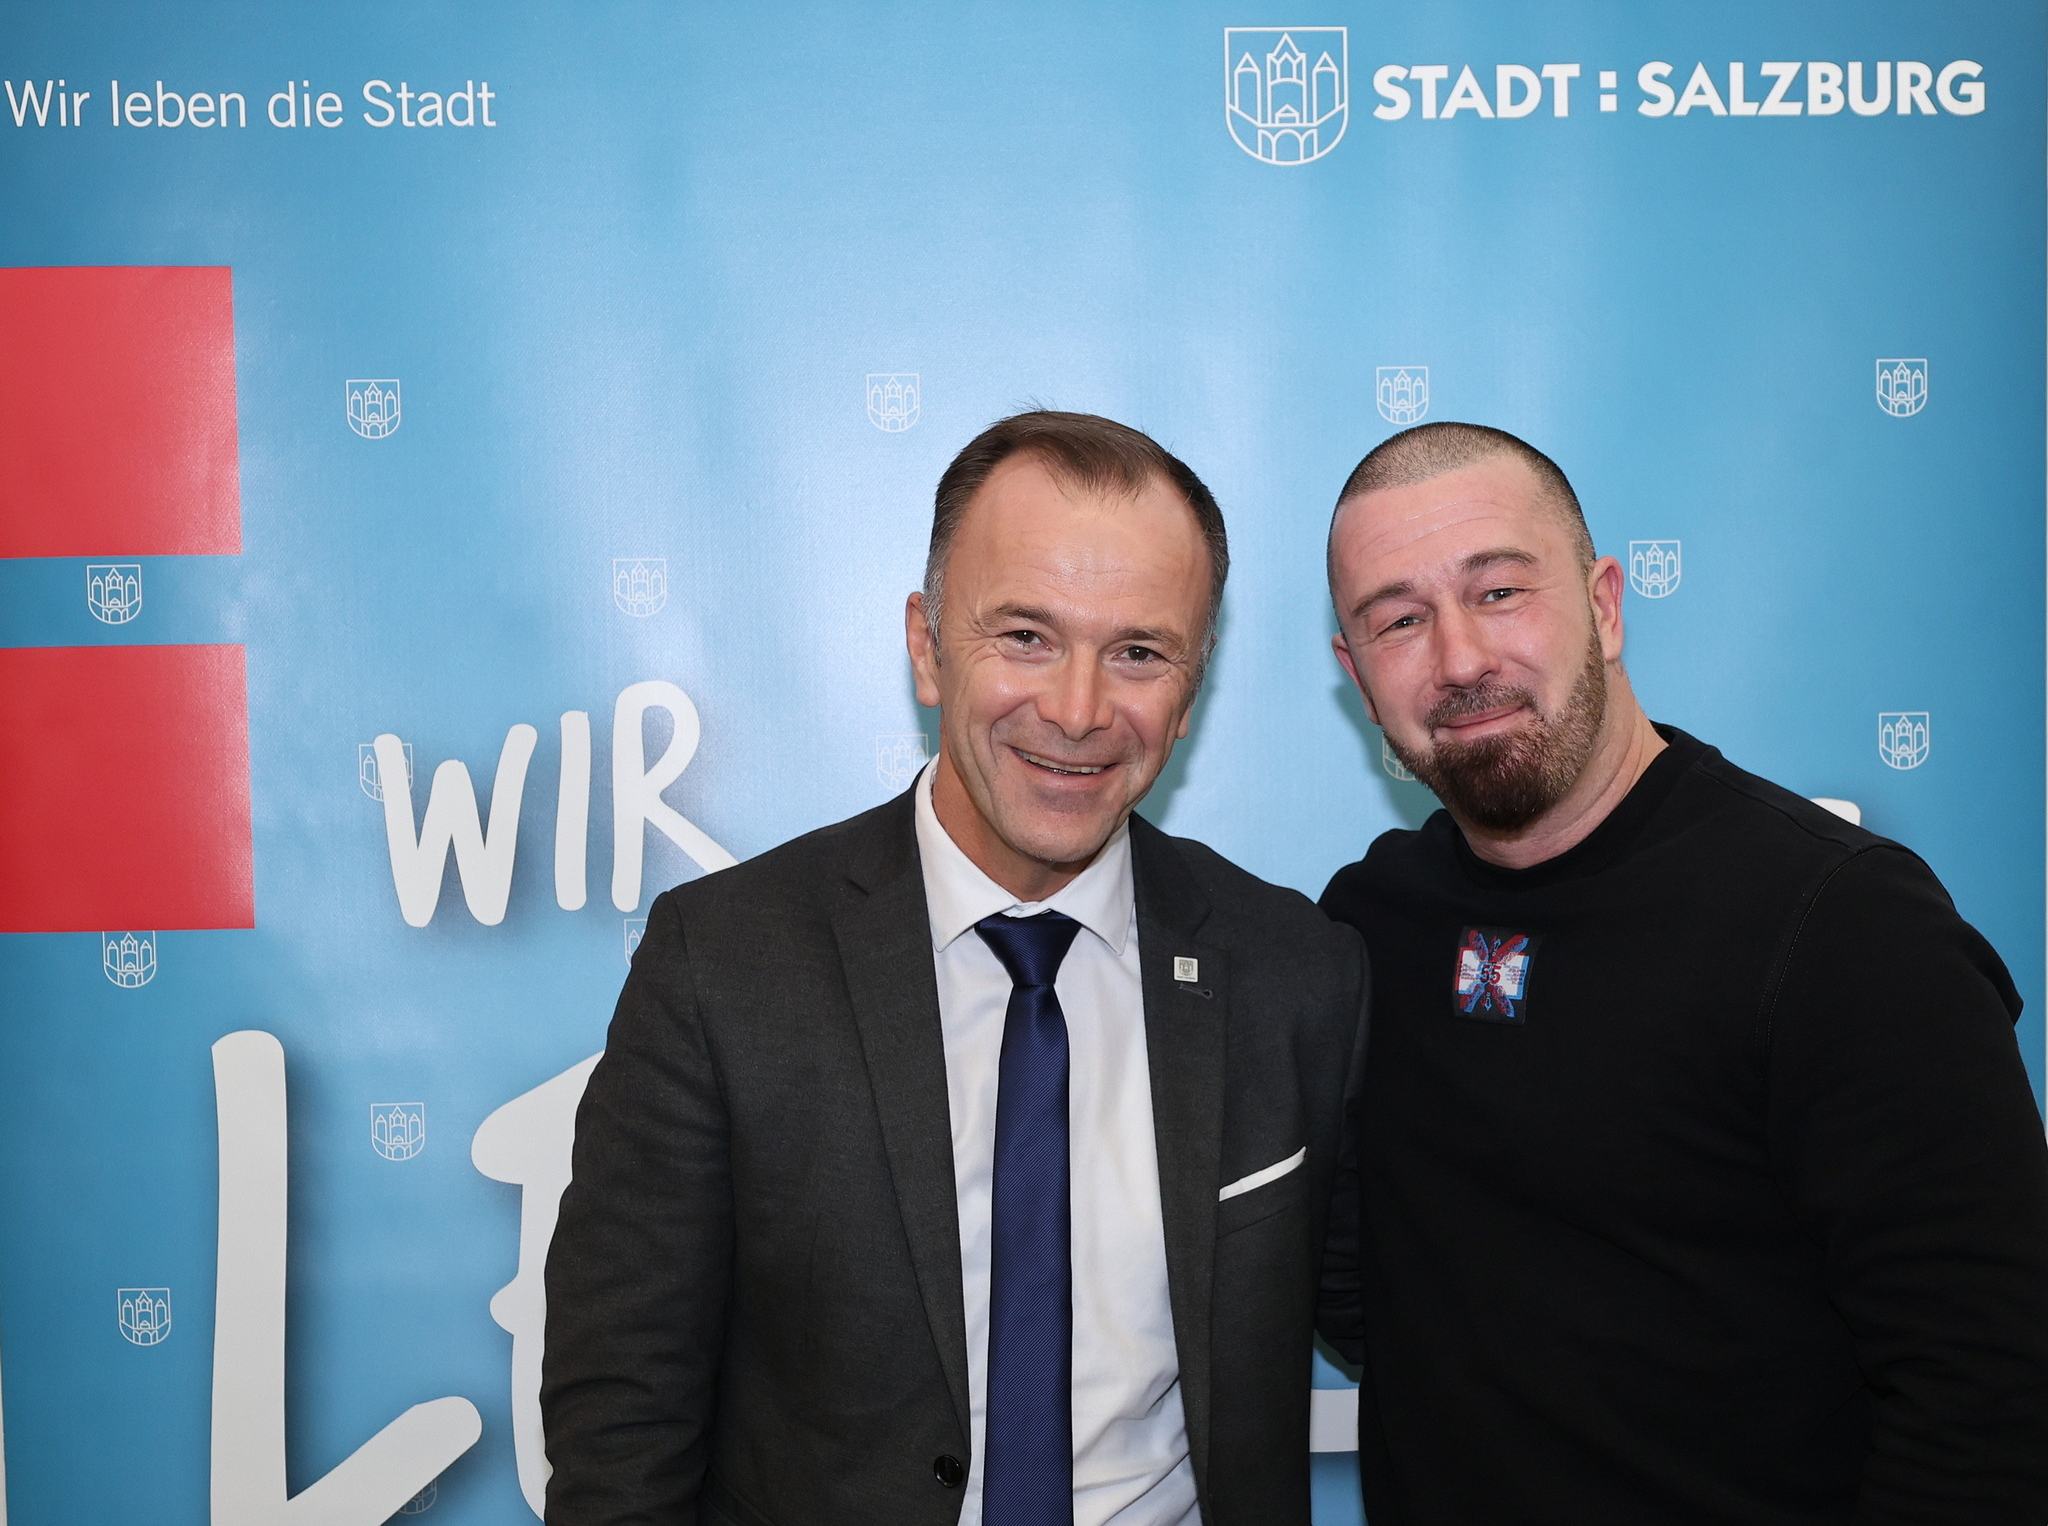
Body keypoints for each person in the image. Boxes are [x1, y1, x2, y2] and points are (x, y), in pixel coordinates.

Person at [544, 410, 1368, 1526]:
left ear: (1190, 689)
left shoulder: (1295, 973)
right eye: (1024, 635)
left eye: (1138, 652)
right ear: (927, 647)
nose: (1076, 710)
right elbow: (621, 1424)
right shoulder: (723, 966)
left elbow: (1414, 1314)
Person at [1316, 420, 2048, 1526]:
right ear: (1357, 677)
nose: (1459, 659)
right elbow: (1372, 1282)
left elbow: (1987, 1396)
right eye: (1399, 620)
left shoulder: (1843, 925)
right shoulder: (1369, 921)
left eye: (1499, 592)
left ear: (1605, 605)